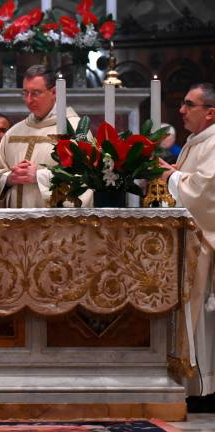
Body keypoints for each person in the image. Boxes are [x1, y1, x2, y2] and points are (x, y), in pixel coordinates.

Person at [160, 82, 215, 397]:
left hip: (202, 246)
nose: (180, 110)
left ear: (210, 112)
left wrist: (171, 177)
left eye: (188, 104)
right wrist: (172, 174)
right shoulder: (197, 140)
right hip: (189, 243)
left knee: (200, 317)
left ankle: (203, 388)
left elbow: (207, 192)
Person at [0, 65, 91, 208]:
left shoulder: (77, 130)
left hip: (54, 226)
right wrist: (8, 178)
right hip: (16, 226)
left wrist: (38, 176)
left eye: (35, 93)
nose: (28, 100)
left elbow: (85, 177)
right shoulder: (14, 132)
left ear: (54, 92)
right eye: (25, 93)